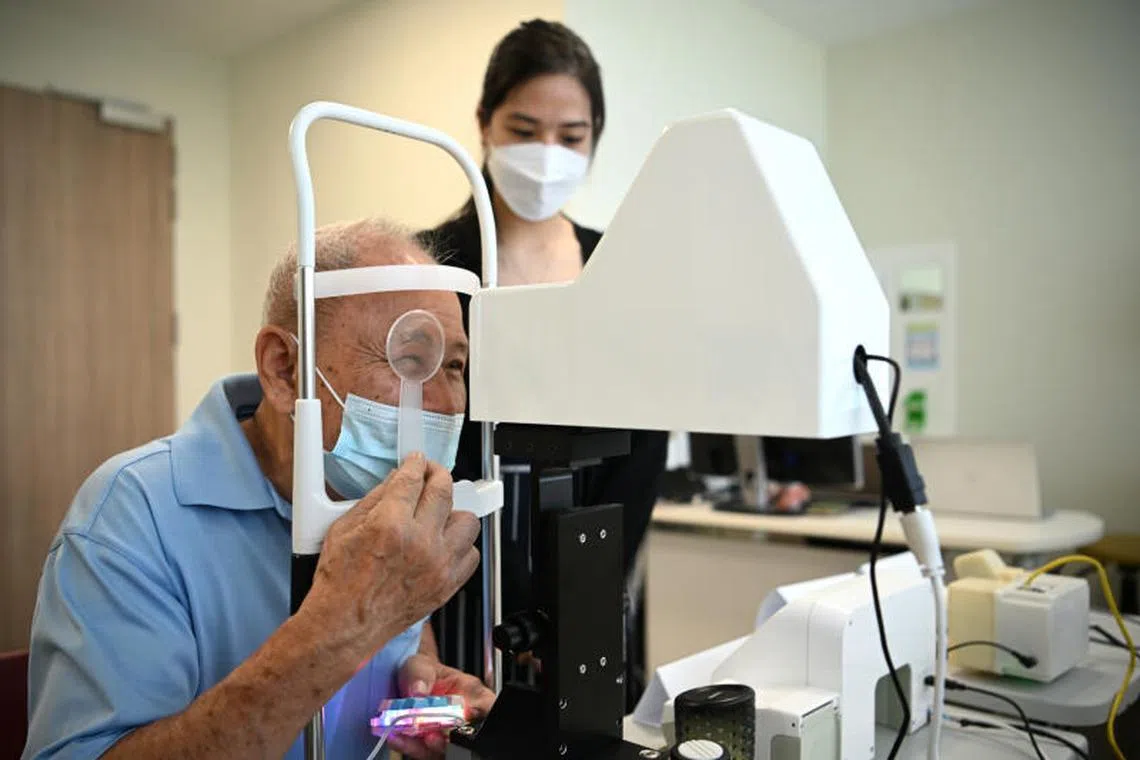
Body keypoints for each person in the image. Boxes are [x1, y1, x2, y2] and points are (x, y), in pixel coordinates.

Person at [23, 219, 493, 760]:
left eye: (453, 365)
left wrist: (416, 688)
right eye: (411, 359)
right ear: (285, 370)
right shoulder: (129, 517)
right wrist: (342, 624)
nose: (442, 402)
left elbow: (400, 645)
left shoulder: (381, 502)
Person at [417, 19, 670, 695]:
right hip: (457, 567)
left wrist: (588, 584)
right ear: (484, 123)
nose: (546, 154)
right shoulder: (429, 266)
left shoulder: (618, 267)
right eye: (524, 131)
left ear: (594, 141)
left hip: (592, 555)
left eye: (571, 137)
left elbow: (646, 441)